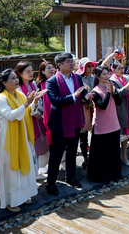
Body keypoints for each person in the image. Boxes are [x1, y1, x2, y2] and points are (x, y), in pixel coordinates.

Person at [0, 69, 46, 212]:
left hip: (24, 135)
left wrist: (34, 101)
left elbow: (30, 111)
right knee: (12, 170)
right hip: (9, 140)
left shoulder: (20, 94)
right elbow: (11, 116)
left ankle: (23, 196)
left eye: (16, 78)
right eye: (12, 79)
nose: (16, 81)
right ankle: (11, 201)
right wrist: (26, 104)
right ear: (4, 82)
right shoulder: (0, 98)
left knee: (25, 166)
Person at [45, 52, 93, 195]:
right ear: (59, 65)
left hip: (75, 119)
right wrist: (74, 96)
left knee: (73, 150)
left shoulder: (77, 77)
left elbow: (82, 93)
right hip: (60, 122)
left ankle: (71, 176)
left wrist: (86, 96)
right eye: (68, 62)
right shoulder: (52, 81)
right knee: (57, 153)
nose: (72, 64)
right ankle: (51, 182)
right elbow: (55, 100)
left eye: (72, 61)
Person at [88, 65, 123, 183]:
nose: (106, 76)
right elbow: (102, 106)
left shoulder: (111, 86)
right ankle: (100, 176)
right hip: (101, 126)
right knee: (101, 153)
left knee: (113, 151)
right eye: (103, 74)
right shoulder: (95, 91)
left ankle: (114, 173)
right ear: (97, 76)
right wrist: (108, 92)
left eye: (107, 74)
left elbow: (119, 102)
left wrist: (114, 92)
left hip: (113, 123)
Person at [16, 61, 49, 180]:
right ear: (20, 73)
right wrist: (33, 111)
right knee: (30, 146)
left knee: (38, 145)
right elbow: (21, 104)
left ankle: (37, 170)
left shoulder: (33, 84)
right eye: (28, 71)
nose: (31, 73)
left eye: (32, 71)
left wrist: (39, 111)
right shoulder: (18, 87)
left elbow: (39, 99)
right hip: (26, 119)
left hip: (36, 117)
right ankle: (32, 174)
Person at [109, 60, 129, 166]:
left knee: (126, 135)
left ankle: (124, 156)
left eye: (123, 68)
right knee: (118, 135)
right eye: (119, 68)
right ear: (113, 69)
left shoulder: (126, 77)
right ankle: (115, 157)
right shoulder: (111, 80)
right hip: (119, 110)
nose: (122, 70)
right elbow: (118, 93)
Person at [76, 58, 97, 169]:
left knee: (95, 132)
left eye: (91, 66)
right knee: (83, 134)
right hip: (84, 108)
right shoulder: (78, 78)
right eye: (88, 66)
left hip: (95, 108)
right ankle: (85, 157)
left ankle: (94, 155)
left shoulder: (95, 78)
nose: (90, 68)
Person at [35, 61, 55, 174]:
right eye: (49, 68)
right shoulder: (39, 85)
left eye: (53, 67)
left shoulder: (57, 81)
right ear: (42, 71)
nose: (52, 69)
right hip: (44, 117)